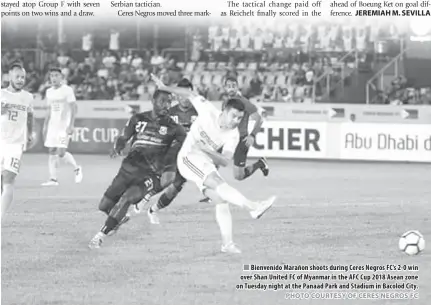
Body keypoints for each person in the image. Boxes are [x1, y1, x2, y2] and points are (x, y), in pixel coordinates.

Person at [155, 78, 276, 254]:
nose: (236, 121)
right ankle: (253, 207)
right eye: (233, 116)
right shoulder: (207, 110)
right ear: (224, 111)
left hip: (205, 162)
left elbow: (225, 160)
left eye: (240, 118)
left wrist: (208, 151)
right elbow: (189, 93)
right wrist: (165, 87)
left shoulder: (233, 135)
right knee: (218, 183)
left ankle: (227, 244)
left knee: (221, 200)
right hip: (188, 158)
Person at [88, 89, 186, 249]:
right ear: (153, 101)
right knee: (104, 206)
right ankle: (118, 219)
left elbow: (186, 146)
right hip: (127, 170)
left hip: (150, 174)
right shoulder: (138, 119)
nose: (167, 105)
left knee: (127, 198)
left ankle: (100, 236)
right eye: (163, 101)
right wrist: (118, 147)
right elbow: (123, 137)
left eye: (169, 102)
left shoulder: (175, 128)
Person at [134, 78, 198, 225]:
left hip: (188, 157)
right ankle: (143, 197)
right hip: (169, 154)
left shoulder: (199, 113)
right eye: (181, 95)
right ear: (177, 95)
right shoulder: (169, 112)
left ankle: (153, 210)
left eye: (187, 95)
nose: (184, 99)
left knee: (174, 190)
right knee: (164, 180)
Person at [1, 63, 34, 220]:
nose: (21, 80)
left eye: (23, 77)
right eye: (17, 77)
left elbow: (30, 115)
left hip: (15, 145)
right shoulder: (1, 95)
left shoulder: (28, 97)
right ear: (9, 77)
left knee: (8, 178)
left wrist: (30, 133)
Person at [41, 67, 83, 186]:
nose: (53, 78)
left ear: (61, 77)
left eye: (56, 75)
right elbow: (49, 110)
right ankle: (53, 179)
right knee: (52, 150)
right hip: (52, 126)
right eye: (52, 76)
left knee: (61, 152)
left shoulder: (67, 90)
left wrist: (71, 125)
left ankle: (76, 168)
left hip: (63, 126)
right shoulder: (49, 92)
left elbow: (74, 108)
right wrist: (45, 125)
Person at [224, 76, 269, 181]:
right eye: (228, 86)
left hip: (241, 140)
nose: (231, 88)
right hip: (228, 139)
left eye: (233, 86)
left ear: (237, 87)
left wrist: (252, 135)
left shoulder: (244, 102)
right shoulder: (226, 103)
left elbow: (259, 119)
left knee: (239, 176)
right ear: (225, 88)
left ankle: (260, 164)